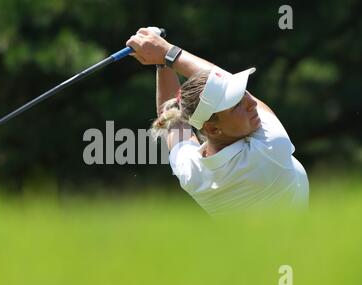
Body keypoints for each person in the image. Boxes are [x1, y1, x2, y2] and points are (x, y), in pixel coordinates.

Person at [126, 28, 309, 214]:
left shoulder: (192, 172)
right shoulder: (269, 147)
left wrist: (161, 64)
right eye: (236, 104)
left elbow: (171, 119)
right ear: (212, 129)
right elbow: (222, 78)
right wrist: (167, 53)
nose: (252, 102)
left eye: (243, 93)